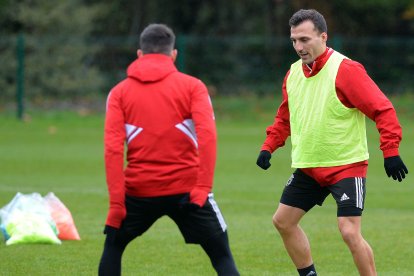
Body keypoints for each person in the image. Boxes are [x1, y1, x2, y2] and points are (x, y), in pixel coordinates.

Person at [256, 9, 408, 276]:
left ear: (323, 37)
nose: (298, 47)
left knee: (349, 231)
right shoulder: (292, 74)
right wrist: (269, 146)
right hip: (310, 167)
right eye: (294, 40)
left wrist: (391, 151)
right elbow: (285, 117)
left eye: (304, 40)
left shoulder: (346, 70)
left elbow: (382, 109)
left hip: (345, 166)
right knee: (283, 222)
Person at [99, 23, 239, 276]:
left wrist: (116, 204)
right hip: (187, 190)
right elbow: (208, 137)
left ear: (139, 54)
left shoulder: (118, 93)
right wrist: (203, 188)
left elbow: (112, 150)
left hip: (138, 191)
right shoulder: (194, 87)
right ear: (173, 54)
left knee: (113, 247)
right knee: (221, 256)